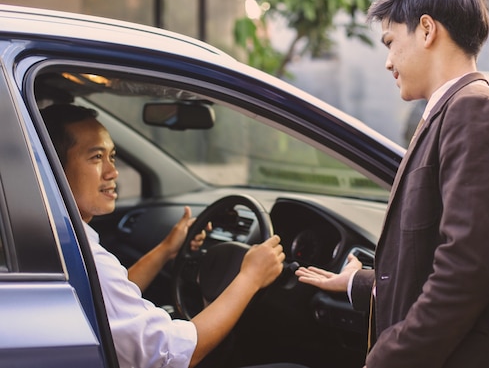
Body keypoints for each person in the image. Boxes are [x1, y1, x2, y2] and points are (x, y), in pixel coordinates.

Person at [296, 0, 489, 368]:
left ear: (427, 30)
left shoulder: (475, 113)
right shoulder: (453, 111)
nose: (388, 62)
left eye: (391, 42)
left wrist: (387, 358)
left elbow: (466, 272)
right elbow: (431, 261)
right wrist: (360, 283)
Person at [41, 103, 307, 368]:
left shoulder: (53, 236)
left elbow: (104, 301)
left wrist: (168, 248)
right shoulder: (84, 257)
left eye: (111, 156)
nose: (113, 172)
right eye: (96, 157)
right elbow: (174, 354)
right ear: (53, 166)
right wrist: (250, 277)